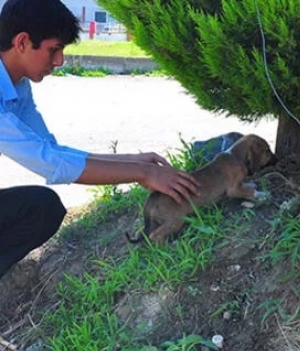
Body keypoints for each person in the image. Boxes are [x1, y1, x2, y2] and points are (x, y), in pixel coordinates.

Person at [0, 0, 198, 278]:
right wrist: (142, 173)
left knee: (43, 209)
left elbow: (51, 149)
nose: (59, 61)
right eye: (53, 50)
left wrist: (132, 162)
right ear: (22, 42)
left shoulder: (16, 84)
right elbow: (50, 162)